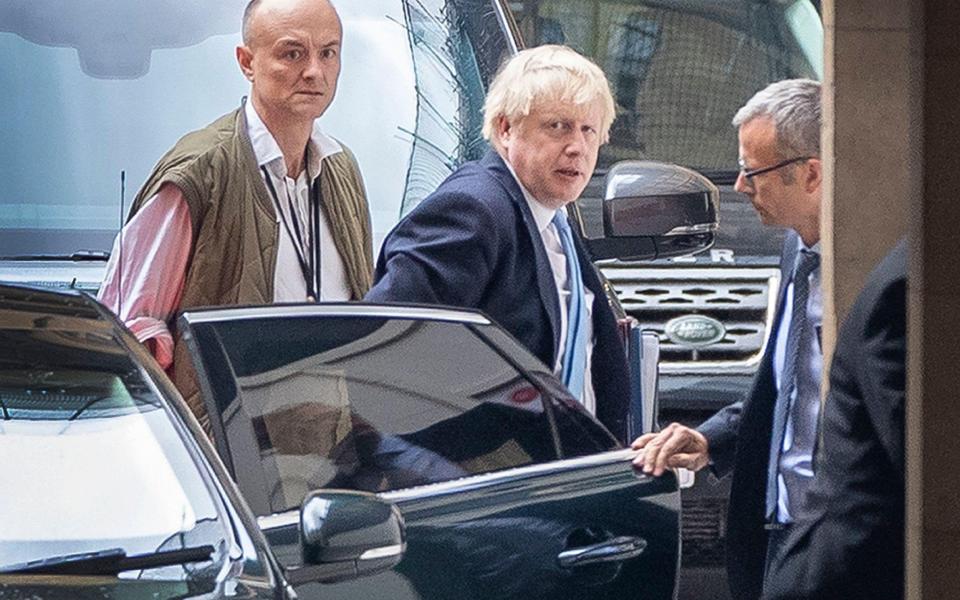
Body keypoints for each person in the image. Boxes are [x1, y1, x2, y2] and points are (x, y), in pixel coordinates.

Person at [98, 0, 373, 431]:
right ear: (247, 62)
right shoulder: (200, 172)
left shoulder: (342, 169)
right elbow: (129, 331)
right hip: (225, 464)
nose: (315, 72)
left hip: (332, 455)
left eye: (328, 53)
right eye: (292, 53)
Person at [364, 45, 630, 440]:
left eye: (588, 129)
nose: (577, 146)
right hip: (485, 481)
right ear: (505, 129)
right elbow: (382, 351)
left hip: (564, 477)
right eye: (557, 126)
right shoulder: (474, 210)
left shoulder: (554, 219)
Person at [631, 79, 824, 600]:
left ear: (811, 174)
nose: (738, 186)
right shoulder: (796, 250)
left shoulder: (867, 272)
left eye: (752, 171)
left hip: (834, 544)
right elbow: (785, 389)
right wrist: (710, 438)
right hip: (776, 533)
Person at [762, 239, 907, 600]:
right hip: (854, 574)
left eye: (751, 175)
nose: (741, 187)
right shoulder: (904, 292)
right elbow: (923, 461)